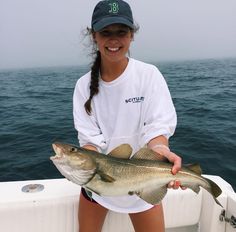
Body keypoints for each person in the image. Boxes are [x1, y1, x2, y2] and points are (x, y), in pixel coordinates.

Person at [73, 0, 183, 231]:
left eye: (121, 32)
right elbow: (90, 142)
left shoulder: (148, 75)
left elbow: (157, 126)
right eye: (106, 32)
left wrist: (161, 150)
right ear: (94, 36)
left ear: (132, 35)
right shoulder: (83, 86)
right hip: (97, 185)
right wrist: (77, 165)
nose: (114, 40)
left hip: (144, 182)